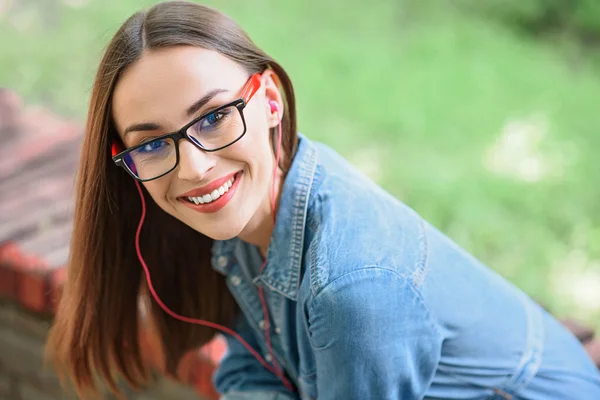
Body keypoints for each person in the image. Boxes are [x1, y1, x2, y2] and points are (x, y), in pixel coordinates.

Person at [47, 1, 600, 399]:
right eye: (152, 143)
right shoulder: (252, 217)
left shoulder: (352, 290)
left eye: (215, 117)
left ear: (268, 101)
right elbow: (249, 369)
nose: (194, 167)